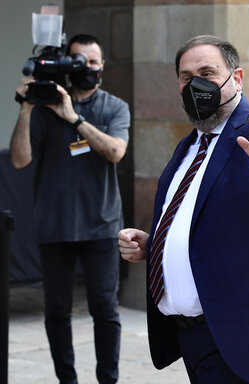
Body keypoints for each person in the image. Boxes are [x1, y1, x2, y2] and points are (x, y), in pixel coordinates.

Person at [117, 35, 249, 384]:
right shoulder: (187, 146)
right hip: (192, 334)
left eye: (207, 72)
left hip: (247, 331)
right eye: (186, 76)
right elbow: (207, 223)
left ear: (237, 78)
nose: (195, 83)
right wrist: (155, 244)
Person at [10, 34, 129, 384]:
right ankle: (67, 381)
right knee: (56, 313)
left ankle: (108, 380)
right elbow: (19, 160)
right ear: (66, 63)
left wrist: (73, 117)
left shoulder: (115, 107)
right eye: (78, 61)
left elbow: (115, 152)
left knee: (105, 311)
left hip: (102, 225)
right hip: (55, 225)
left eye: (92, 62)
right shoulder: (45, 107)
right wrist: (27, 106)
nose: (86, 68)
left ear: (102, 66)